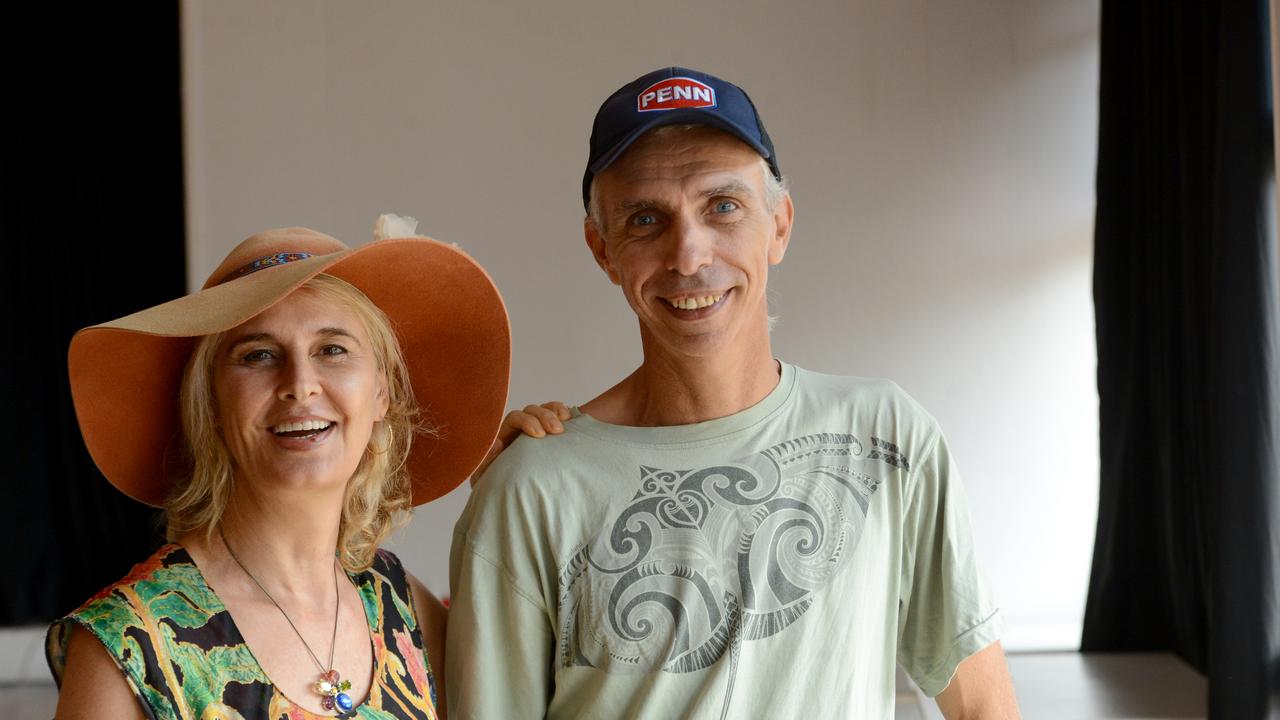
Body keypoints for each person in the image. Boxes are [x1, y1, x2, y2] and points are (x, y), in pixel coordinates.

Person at [447, 68, 1021, 718]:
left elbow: (983, 709)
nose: (689, 255)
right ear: (602, 249)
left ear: (779, 226)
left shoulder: (887, 438)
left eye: (723, 206)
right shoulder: (530, 489)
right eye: (644, 219)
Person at [48, 219, 514, 720]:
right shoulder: (127, 646)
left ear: (383, 393)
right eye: (259, 355)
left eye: (332, 349)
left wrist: (526, 476)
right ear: (210, 404)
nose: (300, 384)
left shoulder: (400, 605)